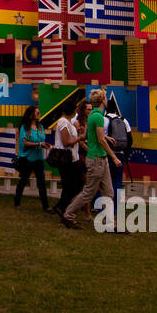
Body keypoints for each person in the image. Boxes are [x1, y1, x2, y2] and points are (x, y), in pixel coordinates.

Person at [60, 89, 122, 231]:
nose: (107, 101)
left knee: (109, 192)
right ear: (102, 101)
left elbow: (92, 135)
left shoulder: (94, 115)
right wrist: (114, 157)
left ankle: (110, 224)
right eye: (105, 98)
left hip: (99, 159)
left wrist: (105, 138)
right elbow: (100, 139)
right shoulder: (98, 117)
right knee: (88, 192)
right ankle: (68, 215)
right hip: (97, 160)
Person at [49, 102, 83, 216]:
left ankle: (61, 206)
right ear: (72, 111)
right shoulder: (63, 122)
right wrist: (79, 138)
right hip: (66, 158)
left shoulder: (68, 122)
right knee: (73, 185)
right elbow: (66, 142)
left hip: (72, 157)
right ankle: (61, 206)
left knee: (71, 185)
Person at [14, 105, 50, 211]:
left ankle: (46, 206)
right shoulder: (24, 127)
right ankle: (17, 203)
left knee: (42, 182)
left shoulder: (40, 127)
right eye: (37, 113)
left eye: (39, 113)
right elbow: (24, 143)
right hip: (27, 158)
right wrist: (39, 144)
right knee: (23, 181)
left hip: (39, 158)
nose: (39, 114)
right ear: (31, 114)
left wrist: (45, 144)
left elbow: (41, 140)